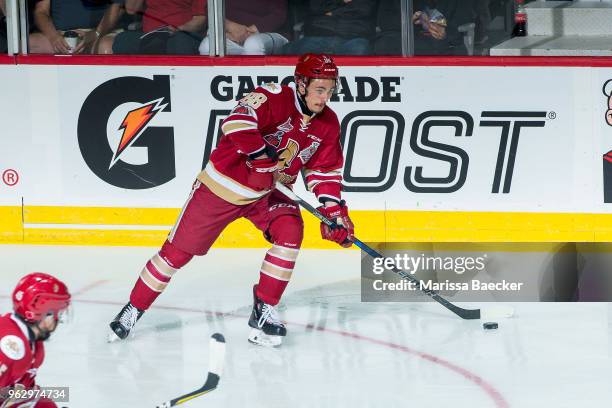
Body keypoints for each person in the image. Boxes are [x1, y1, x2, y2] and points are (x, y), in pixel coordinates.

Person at [109, 53, 354, 347]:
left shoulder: (328, 123)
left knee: (291, 231)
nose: (325, 97)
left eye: (330, 89)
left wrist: (334, 212)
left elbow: (324, 171)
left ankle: (264, 308)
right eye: (319, 89)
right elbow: (235, 122)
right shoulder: (273, 96)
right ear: (300, 84)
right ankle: (134, 308)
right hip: (223, 188)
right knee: (176, 255)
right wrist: (260, 155)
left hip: (270, 193)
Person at [0, 273, 71, 407]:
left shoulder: (33, 344)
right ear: (40, 312)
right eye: (57, 314)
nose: (58, 320)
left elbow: (23, 393)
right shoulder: (12, 348)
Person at [106, 0, 206, 54]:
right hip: (151, 36)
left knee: (179, 41)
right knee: (122, 40)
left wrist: (180, 28)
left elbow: (200, 20)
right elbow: (131, 9)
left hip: (183, 34)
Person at [283, 0, 377, 55]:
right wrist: (340, 1)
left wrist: (332, 12)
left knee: (360, 51)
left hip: (354, 36)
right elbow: (316, 6)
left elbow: (363, 9)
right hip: (319, 33)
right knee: (285, 52)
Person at [29, 0, 125, 54]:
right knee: (29, 45)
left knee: (107, 47)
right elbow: (41, 11)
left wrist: (96, 33)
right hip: (60, 34)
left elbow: (117, 8)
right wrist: (53, 37)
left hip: (102, 33)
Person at [199, 0, 289, 55]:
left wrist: (248, 31)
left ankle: (257, 86)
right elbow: (210, 9)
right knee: (208, 46)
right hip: (231, 34)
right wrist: (229, 26)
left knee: (253, 44)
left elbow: (279, 15)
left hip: (268, 33)